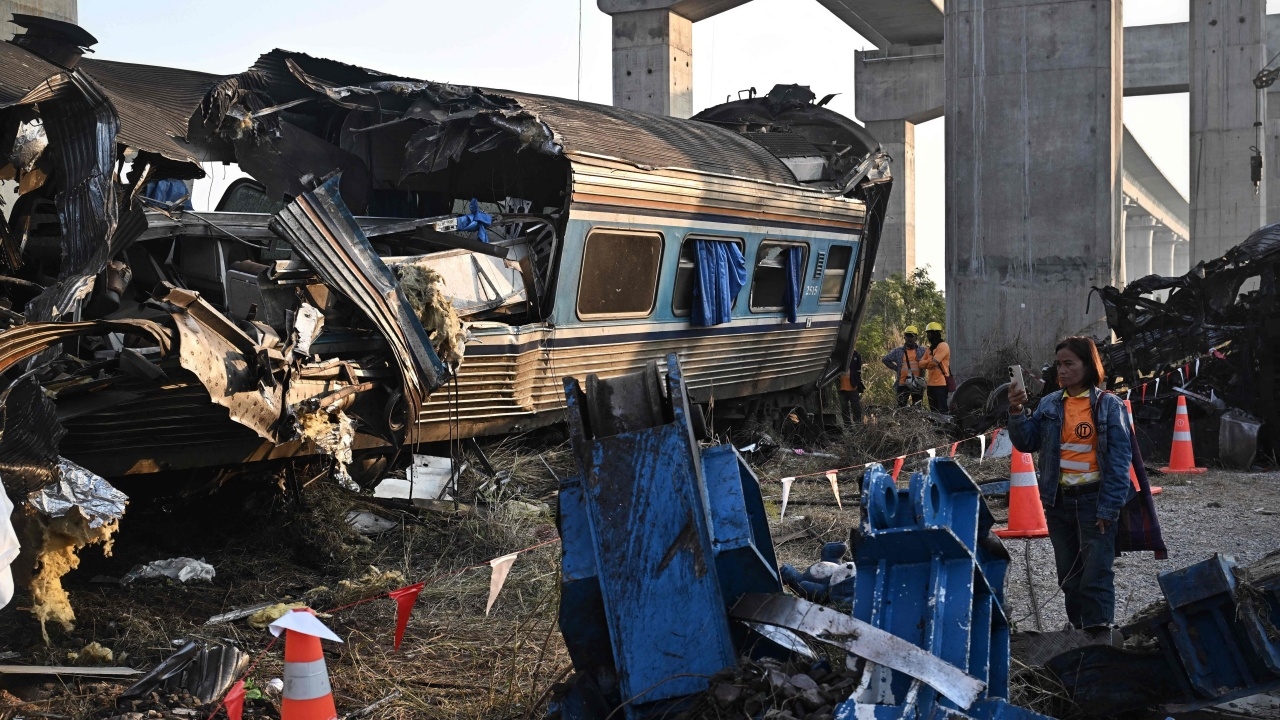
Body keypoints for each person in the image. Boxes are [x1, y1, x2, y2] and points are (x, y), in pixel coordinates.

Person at [1007, 336, 1134, 631]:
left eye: (1069, 364)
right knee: (1069, 577)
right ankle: (1078, 635)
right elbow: (1027, 442)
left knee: (1095, 578)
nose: (1061, 371)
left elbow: (1119, 462)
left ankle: (1099, 639)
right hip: (1058, 503)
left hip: (1095, 504)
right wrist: (1016, 412)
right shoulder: (1050, 403)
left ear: (1088, 366)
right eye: (1058, 365)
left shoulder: (1108, 405)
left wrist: (1109, 508)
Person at [882, 326, 926, 407]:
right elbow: (885, 359)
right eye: (907, 336)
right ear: (904, 337)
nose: (909, 338)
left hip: (917, 383)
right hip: (902, 383)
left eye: (911, 336)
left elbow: (930, 361)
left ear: (916, 337)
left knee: (917, 408)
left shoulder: (922, 350)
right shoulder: (898, 351)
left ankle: (915, 420)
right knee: (901, 407)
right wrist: (896, 368)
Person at [920, 321, 951, 413]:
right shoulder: (930, 349)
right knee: (933, 411)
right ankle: (936, 427)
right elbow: (920, 364)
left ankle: (945, 427)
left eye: (929, 333)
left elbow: (935, 362)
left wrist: (927, 362)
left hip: (941, 384)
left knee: (942, 410)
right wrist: (930, 361)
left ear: (935, 333)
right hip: (930, 384)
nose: (928, 335)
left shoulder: (943, 346)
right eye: (927, 333)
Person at [838, 349, 865, 425]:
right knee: (844, 408)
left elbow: (858, 371)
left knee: (856, 407)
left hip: (853, 386)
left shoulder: (856, 354)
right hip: (841, 387)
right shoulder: (839, 354)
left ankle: (857, 424)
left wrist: (857, 381)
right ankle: (847, 426)